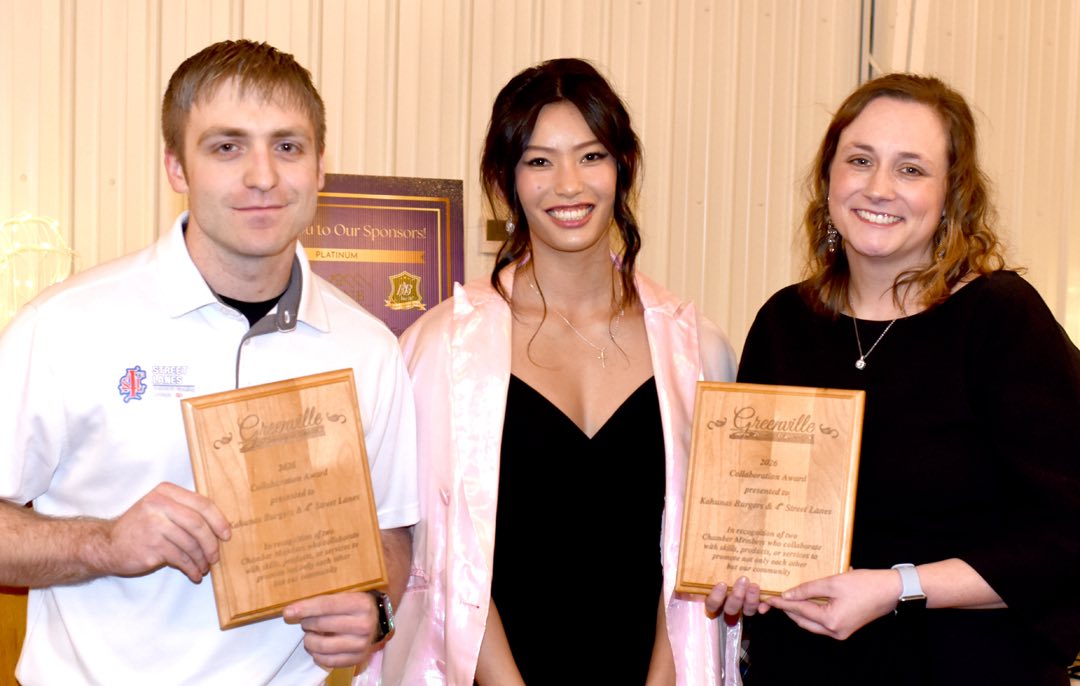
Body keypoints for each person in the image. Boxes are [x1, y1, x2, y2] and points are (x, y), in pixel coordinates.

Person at [0, 40, 418, 684]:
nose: (263, 176)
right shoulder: (63, 327)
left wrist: (374, 608)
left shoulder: (368, 348)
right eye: (227, 147)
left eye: (288, 146)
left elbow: (390, 530)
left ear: (321, 166)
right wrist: (105, 543)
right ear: (176, 167)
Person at [381, 57, 759, 686]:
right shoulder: (439, 348)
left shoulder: (695, 349)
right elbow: (439, 557)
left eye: (590, 156)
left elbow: (699, 553)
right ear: (505, 182)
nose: (567, 184)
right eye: (538, 161)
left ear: (623, 168)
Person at [728, 73, 1080, 685]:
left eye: (911, 169)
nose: (879, 187)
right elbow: (754, 512)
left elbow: (1067, 536)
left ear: (952, 195)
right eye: (859, 160)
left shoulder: (1000, 318)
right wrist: (738, 576)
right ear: (829, 179)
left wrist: (898, 588)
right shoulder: (785, 322)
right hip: (805, 671)